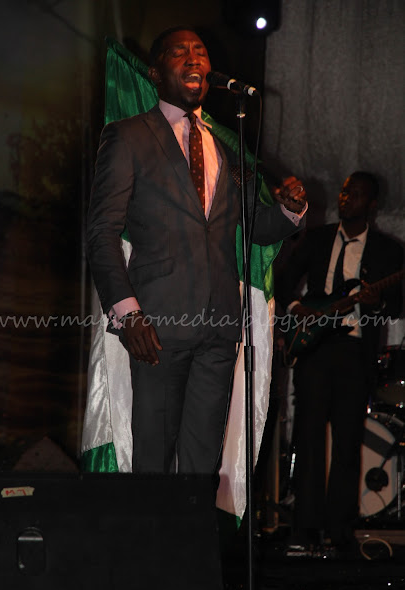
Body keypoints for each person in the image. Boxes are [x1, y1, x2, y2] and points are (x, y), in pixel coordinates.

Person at [86, 26, 307, 477]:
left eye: (200, 52)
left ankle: (195, 528)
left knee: (202, 468)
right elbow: (101, 232)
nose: (194, 59)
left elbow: (255, 228)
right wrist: (128, 314)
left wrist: (289, 210)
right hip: (156, 326)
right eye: (179, 52)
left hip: (219, 328)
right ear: (155, 73)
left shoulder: (226, 145)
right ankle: (148, 529)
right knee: (154, 464)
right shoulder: (128, 136)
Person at [277, 171, 404, 554]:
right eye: (346, 191)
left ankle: (340, 530)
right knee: (308, 437)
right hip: (315, 348)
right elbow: (283, 281)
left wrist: (378, 302)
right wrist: (296, 308)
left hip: (354, 351)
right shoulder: (317, 238)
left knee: (348, 442)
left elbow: (395, 305)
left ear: (373, 204)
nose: (347, 198)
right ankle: (305, 528)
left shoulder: (388, 251)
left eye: (357, 194)